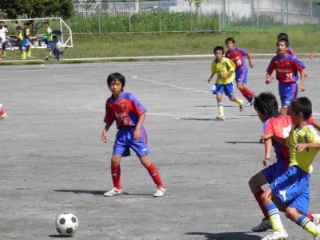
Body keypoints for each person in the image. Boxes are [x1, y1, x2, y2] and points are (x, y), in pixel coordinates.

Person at [249, 92, 320, 233]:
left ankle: (303, 221)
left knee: (276, 201)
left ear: (264, 112)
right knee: (254, 183)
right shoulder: (290, 120)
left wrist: (267, 155)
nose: (258, 117)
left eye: (258, 113)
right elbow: (308, 123)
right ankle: (271, 219)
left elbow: (268, 139)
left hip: (289, 166)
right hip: (283, 164)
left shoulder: (269, 122)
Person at [102, 72, 166, 197]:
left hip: (135, 131)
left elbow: (142, 113)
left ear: (122, 86)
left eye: (117, 84)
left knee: (144, 160)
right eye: (112, 84)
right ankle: (117, 188)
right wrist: (105, 130)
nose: (114, 87)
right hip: (122, 133)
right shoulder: (109, 102)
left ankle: (161, 187)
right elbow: (110, 119)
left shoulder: (129, 98)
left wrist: (137, 129)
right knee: (114, 160)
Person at [266, 39, 305, 116]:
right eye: (278, 45)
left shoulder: (291, 59)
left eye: (282, 45)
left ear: (286, 48)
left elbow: (302, 71)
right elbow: (269, 70)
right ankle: (302, 119)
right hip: (281, 86)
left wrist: (302, 85)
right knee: (289, 112)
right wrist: (268, 77)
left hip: (291, 87)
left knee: (283, 111)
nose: (280, 47)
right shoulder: (275, 60)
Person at [208, 46, 244, 121]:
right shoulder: (214, 63)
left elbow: (232, 68)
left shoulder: (226, 61)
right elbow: (214, 71)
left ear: (222, 54)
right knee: (218, 97)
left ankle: (240, 102)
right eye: (216, 53)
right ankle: (221, 114)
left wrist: (226, 75)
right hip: (219, 83)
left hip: (228, 82)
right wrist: (211, 77)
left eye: (219, 53)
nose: (218, 55)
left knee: (231, 98)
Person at [225, 37, 255, 107]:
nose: (229, 45)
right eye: (227, 44)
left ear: (233, 44)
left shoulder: (238, 50)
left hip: (241, 69)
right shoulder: (227, 54)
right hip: (235, 71)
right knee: (240, 87)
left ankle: (253, 96)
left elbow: (247, 54)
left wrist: (250, 62)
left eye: (230, 43)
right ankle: (250, 100)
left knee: (239, 86)